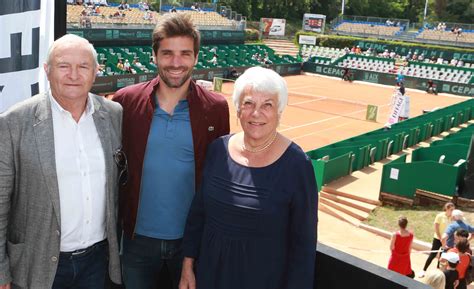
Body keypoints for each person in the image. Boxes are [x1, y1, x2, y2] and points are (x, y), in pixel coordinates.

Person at [112, 13, 230, 289]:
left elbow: (219, 176)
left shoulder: (216, 108)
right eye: (167, 54)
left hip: (190, 245)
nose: (176, 63)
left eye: (185, 54)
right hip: (135, 242)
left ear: (196, 58)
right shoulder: (125, 101)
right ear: (154, 56)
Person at [0, 34, 122, 288]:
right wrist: (1, 273)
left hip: (97, 262)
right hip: (38, 264)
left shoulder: (112, 115)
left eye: (83, 66)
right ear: (47, 70)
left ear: (96, 72)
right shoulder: (14, 122)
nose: (74, 75)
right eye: (64, 65)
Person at [179, 66, 318, 289]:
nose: (256, 113)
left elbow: (303, 245)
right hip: (208, 276)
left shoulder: (297, 165)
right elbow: (199, 213)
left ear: (279, 112)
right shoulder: (217, 150)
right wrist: (187, 266)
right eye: (249, 103)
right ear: (238, 110)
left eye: (267, 105)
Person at [420, 202, 455, 277]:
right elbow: (436, 228)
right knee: (432, 255)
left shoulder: (452, 218)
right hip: (437, 239)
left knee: (443, 257)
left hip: (446, 240)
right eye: (451, 209)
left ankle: (438, 273)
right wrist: (440, 239)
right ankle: (423, 270)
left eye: (453, 210)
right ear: (447, 209)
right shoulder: (439, 216)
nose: (452, 211)